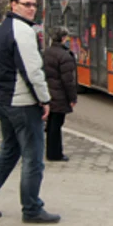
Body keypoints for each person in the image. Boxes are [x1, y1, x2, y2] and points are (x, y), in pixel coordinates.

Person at [0, 0, 60, 224]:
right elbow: (33, 71)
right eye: (26, 3)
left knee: (9, 152)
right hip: (22, 103)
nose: (31, 8)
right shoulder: (23, 31)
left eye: (33, 4)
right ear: (13, 5)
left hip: (4, 100)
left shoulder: (2, 30)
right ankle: (31, 209)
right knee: (33, 158)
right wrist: (45, 99)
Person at [43, 27, 77, 162]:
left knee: (51, 123)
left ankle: (51, 152)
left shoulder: (46, 52)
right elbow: (68, 81)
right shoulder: (65, 56)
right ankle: (55, 153)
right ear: (63, 38)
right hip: (59, 95)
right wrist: (72, 98)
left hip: (48, 93)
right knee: (56, 124)